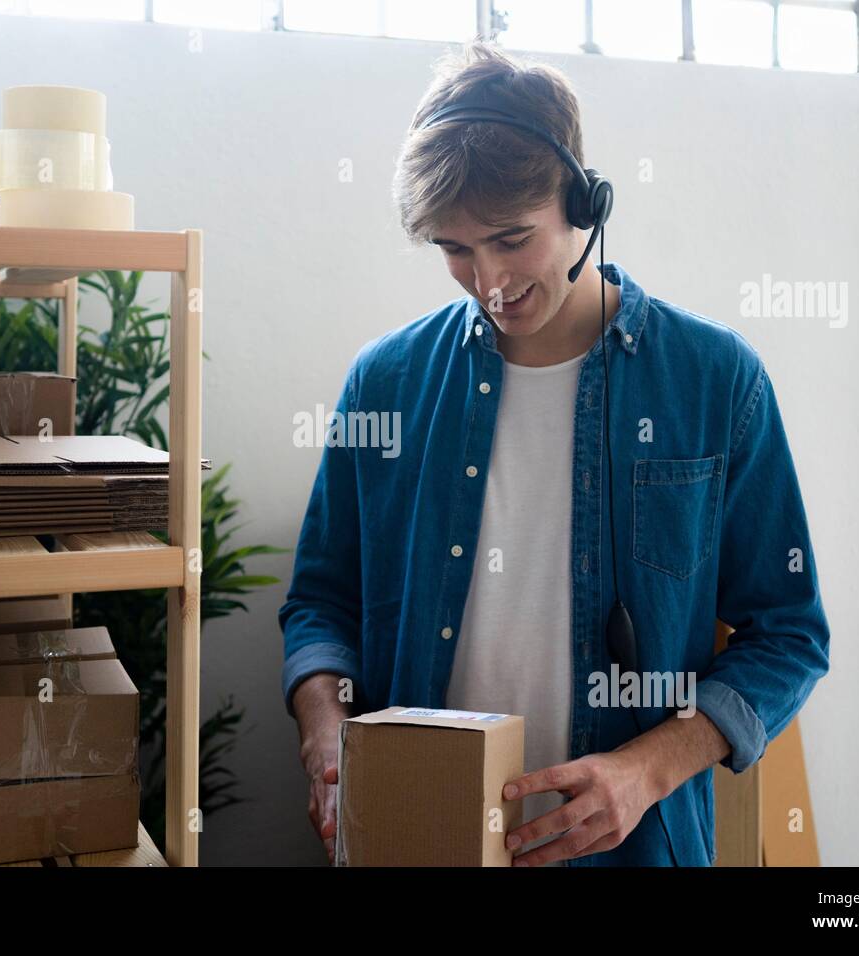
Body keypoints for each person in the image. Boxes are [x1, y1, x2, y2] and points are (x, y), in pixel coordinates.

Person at [279, 41, 830, 866]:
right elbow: (322, 602)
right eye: (455, 250)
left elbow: (789, 633)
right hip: (415, 836)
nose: (489, 280)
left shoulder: (716, 381)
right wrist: (325, 727)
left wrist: (645, 772)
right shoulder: (385, 383)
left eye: (512, 239)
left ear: (584, 204)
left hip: (633, 851)